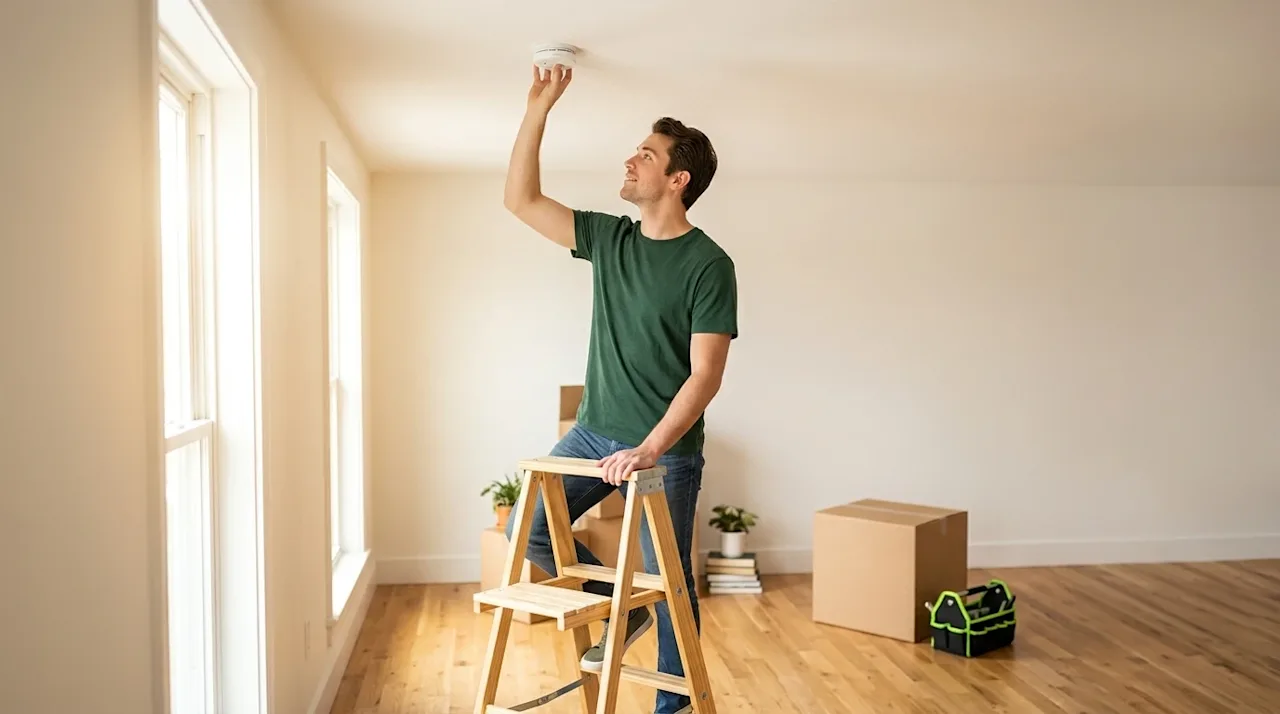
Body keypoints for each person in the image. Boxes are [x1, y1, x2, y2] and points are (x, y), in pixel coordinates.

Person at [502, 62, 737, 714]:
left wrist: (652, 449)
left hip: (664, 452)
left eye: (646, 154)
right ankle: (616, 611)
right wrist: (538, 110)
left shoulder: (710, 265)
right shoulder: (610, 240)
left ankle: (674, 706)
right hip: (592, 431)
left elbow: (706, 374)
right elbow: (520, 202)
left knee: (667, 582)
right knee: (530, 528)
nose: (630, 160)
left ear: (677, 179)